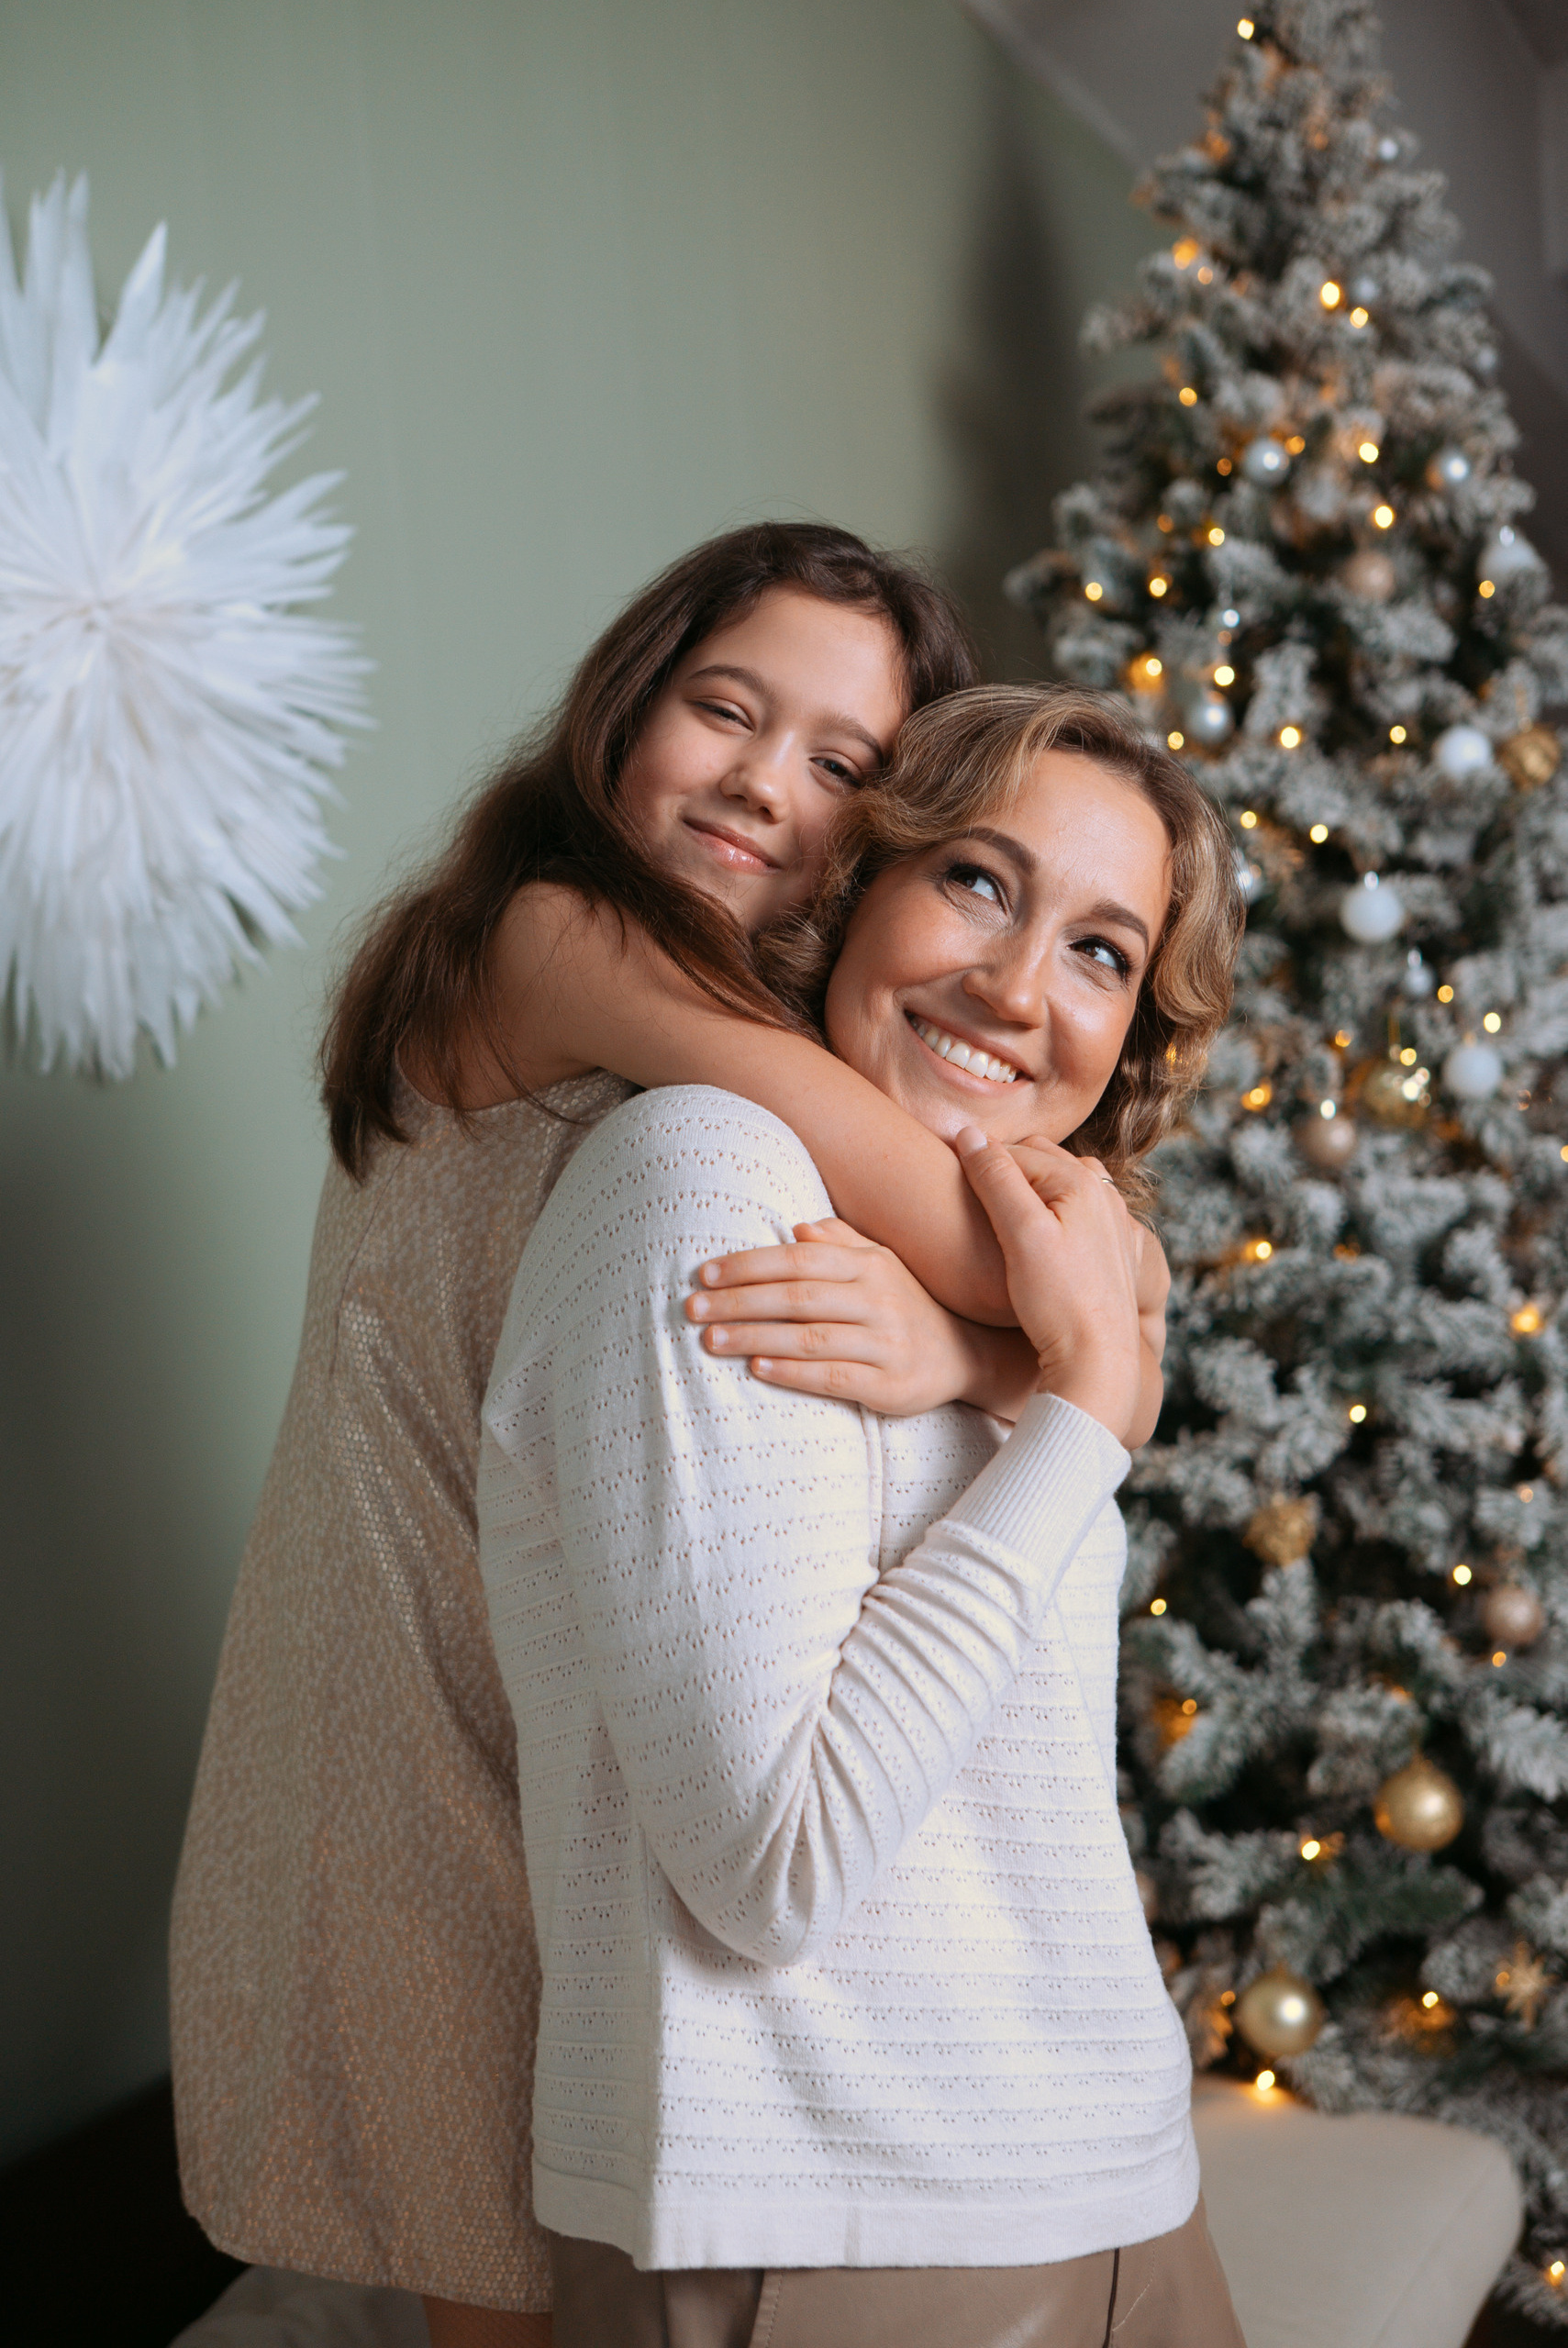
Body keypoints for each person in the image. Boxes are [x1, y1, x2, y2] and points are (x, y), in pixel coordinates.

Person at [170, 528, 1162, 2348]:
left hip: (543, 1686)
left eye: (844, 762)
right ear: (631, 703)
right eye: (727, 707)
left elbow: (1076, 1270)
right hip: (409, 1705)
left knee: (540, 2210)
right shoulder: (557, 937)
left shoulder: (725, 1022)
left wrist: (1006, 1347)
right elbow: (1019, 1261)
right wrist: (991, 1348)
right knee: (470, 2215)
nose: (766, 786)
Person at [477, 684, 1248, 2346]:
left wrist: (1013, 1365)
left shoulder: (1041, 1260)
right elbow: (775, 1863)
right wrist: (1071, 1424)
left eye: (1103, 952)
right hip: (835, 2231)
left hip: (1116, 2179)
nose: (1017, 987)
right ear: (857, 889)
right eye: (976, 879)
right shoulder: (699, 1179)